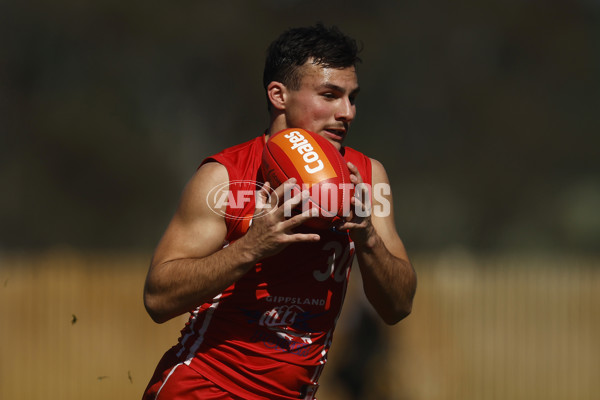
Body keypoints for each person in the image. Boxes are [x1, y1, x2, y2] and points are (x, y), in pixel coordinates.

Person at [142, 23, 417, 400]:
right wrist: (250, 246)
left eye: (352, 98)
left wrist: (368, 237)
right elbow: (157, 299)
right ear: (278, 95)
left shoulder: (367, 178)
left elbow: (399, 306)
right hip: (203, 389)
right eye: (330, 95)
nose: (348, 112)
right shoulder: (223, 177)